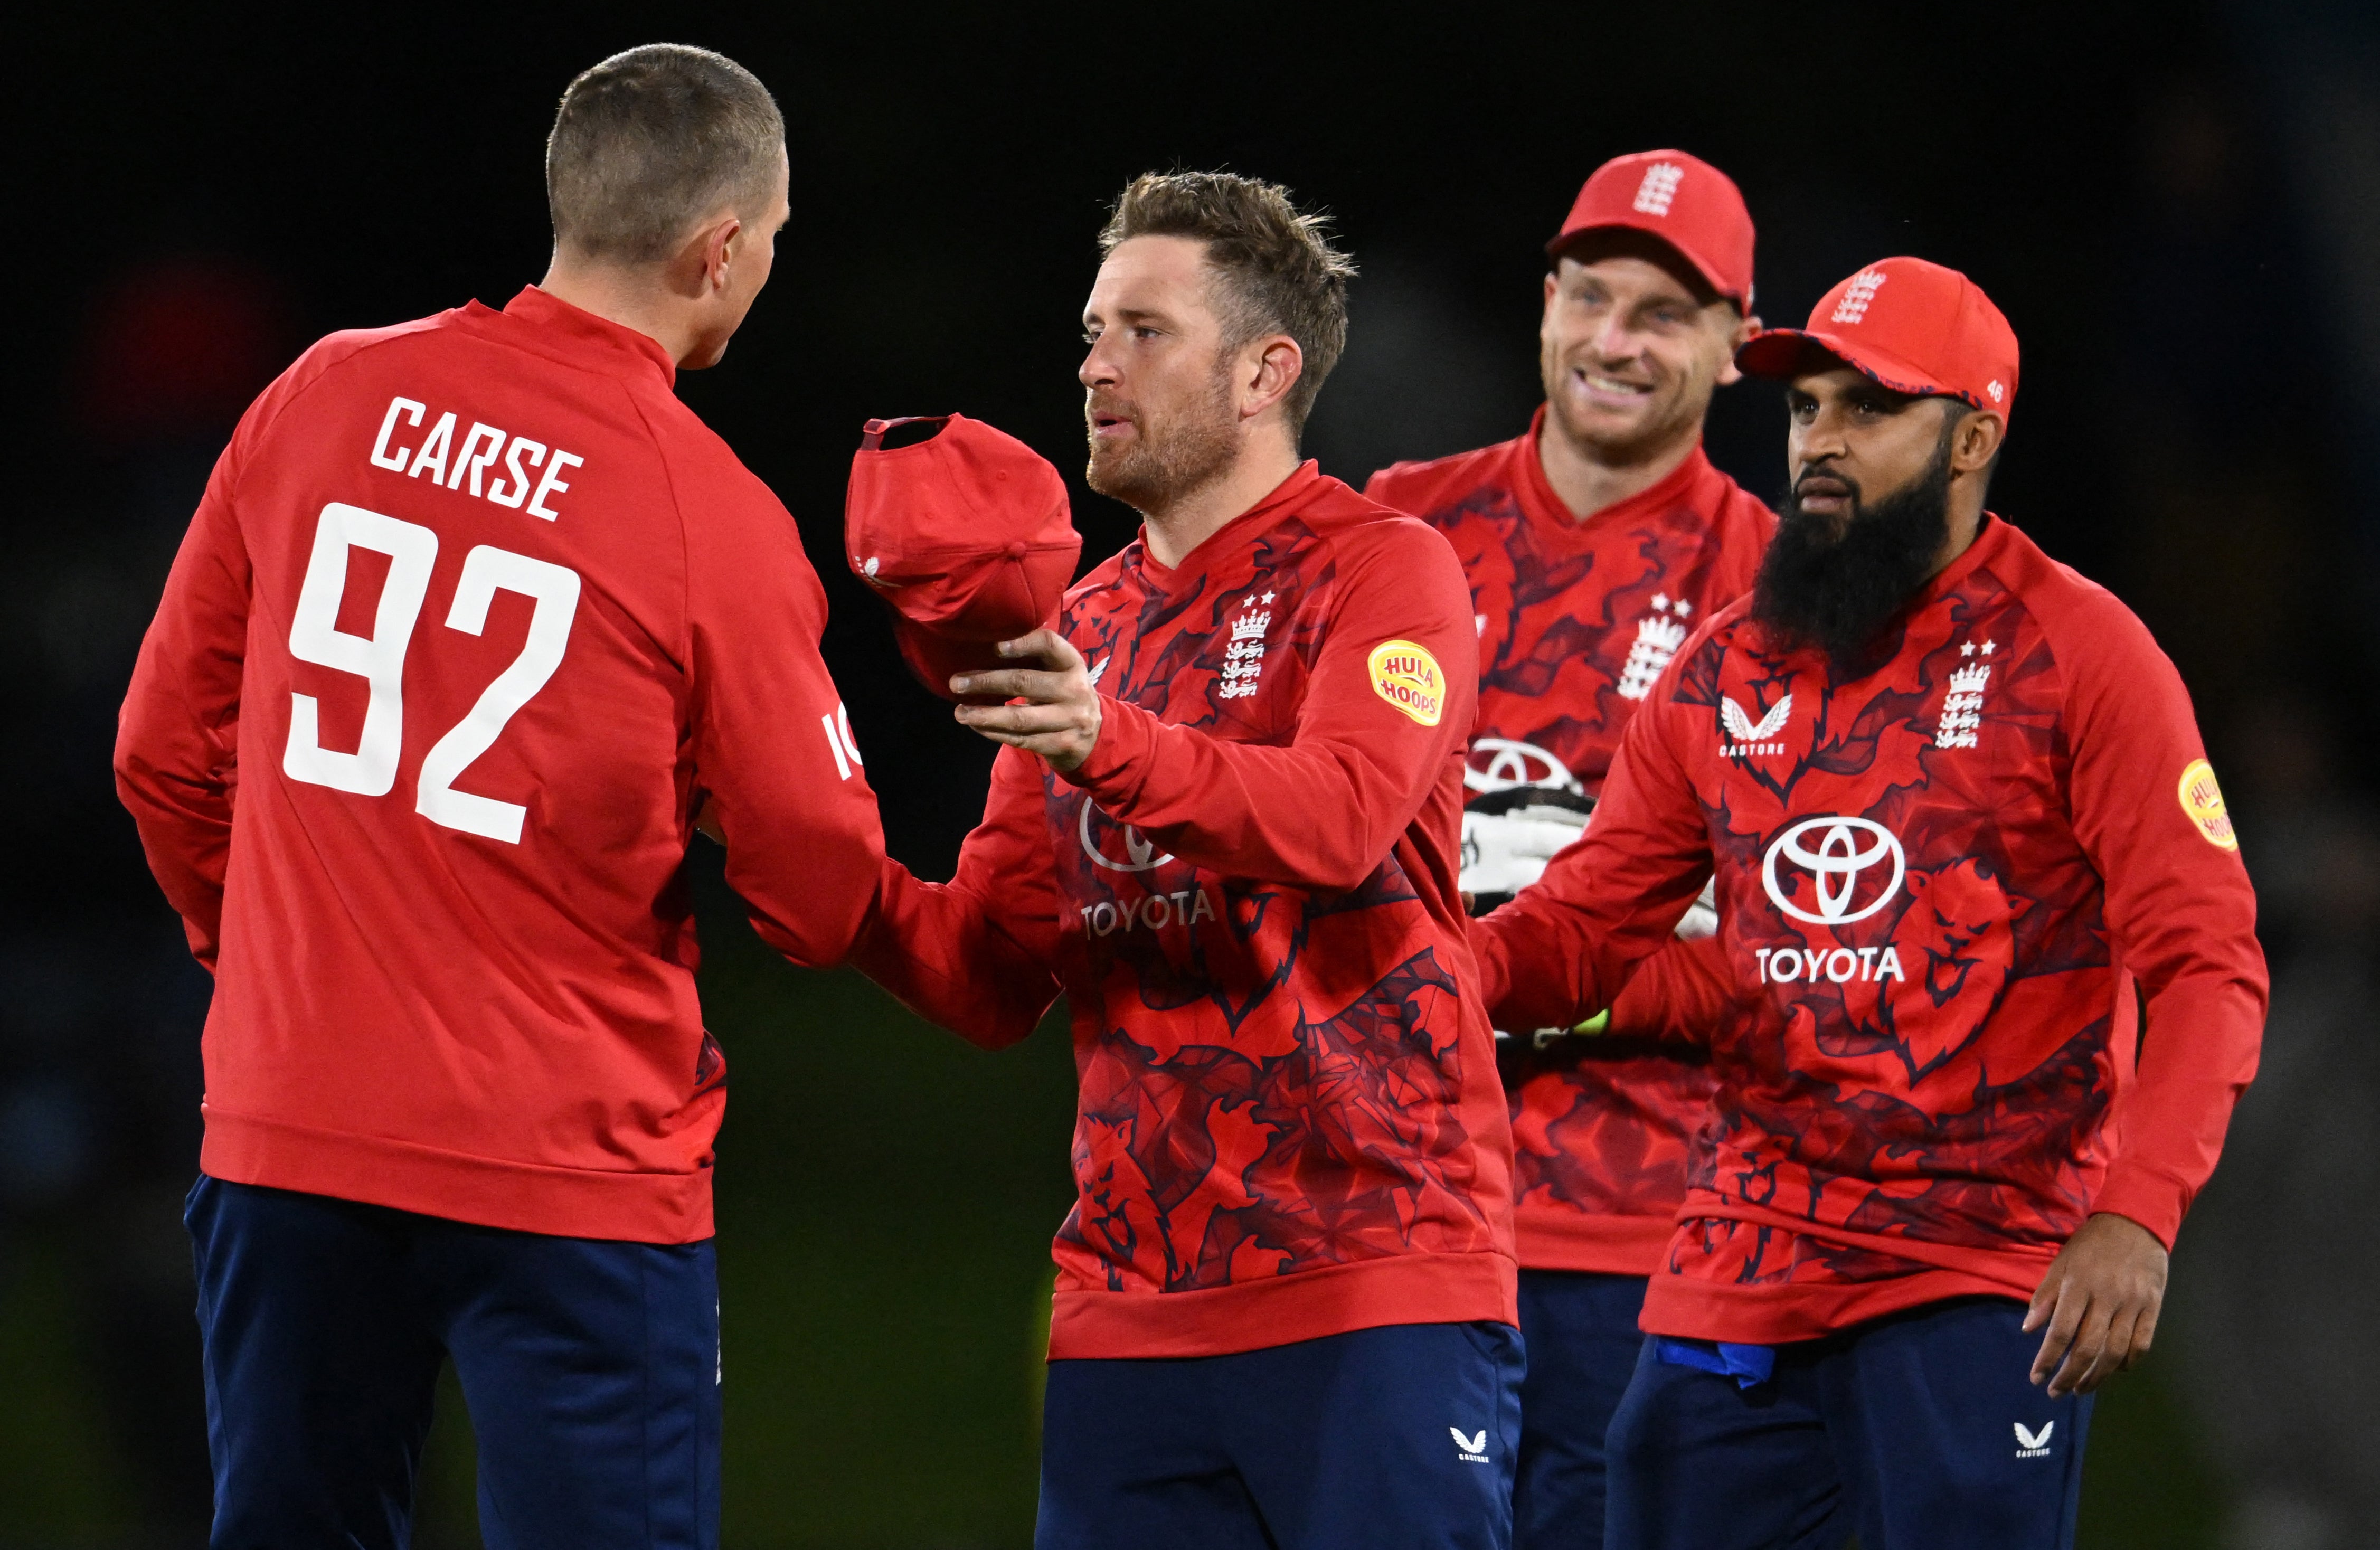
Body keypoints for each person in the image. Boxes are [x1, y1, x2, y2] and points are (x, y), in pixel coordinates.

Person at [113, 44, 883, 1549]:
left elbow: (160, 747)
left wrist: (263, 957)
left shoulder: (324, 391)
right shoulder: (704, 506)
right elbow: (819, 877)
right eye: (774, 239)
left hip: (292, 1128)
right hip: (568, 1167)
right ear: (719, 247)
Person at [1474, 257, 2267, 1549]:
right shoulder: (1726, 661)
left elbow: (2208, 964)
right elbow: (1583, 923)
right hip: (1740, 1259)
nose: (1820, 443)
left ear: (1972, 438)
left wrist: (2136, 1215)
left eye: (1867, 408)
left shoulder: (2085, 655)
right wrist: (1415, 976)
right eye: (1805, 409)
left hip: (1977, 1263)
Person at [851, 171, 1522, 1550]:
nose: (1095, 361)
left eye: (1144, 330)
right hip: (1128, 1306)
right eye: (1093, 329)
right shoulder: (1077, 620)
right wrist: (795, 838)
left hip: (1374, 1274)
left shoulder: (1384, 570)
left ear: (1264, 370)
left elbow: (1338, 815)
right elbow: (985, 972)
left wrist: (1108, 739)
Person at [1366, 148, 1772, 1549]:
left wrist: (1559, 970)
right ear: (1545, 300)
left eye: (1661, 313)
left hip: (1645, 1240)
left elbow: (1816, 956)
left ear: (1734, 346)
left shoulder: (1778, 598)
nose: (1613, 339)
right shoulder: (1392, 531)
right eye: (1590, 295)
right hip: (1389, 1216)